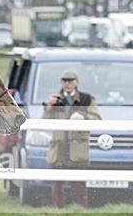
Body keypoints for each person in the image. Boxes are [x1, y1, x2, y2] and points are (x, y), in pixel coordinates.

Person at [43, 69, 101, 208]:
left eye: (70, 81)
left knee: (79, 184)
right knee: (56, 184)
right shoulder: (55, 100)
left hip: (77, 148)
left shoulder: (86, 99)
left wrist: (83, 117)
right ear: (61, 82)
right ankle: (57, 209)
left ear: (77, 83)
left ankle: (80, 209)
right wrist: (48, 107)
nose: (67, 84)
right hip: (59, 148)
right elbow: (44, 121)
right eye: (64, 81)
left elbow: (97, 118)